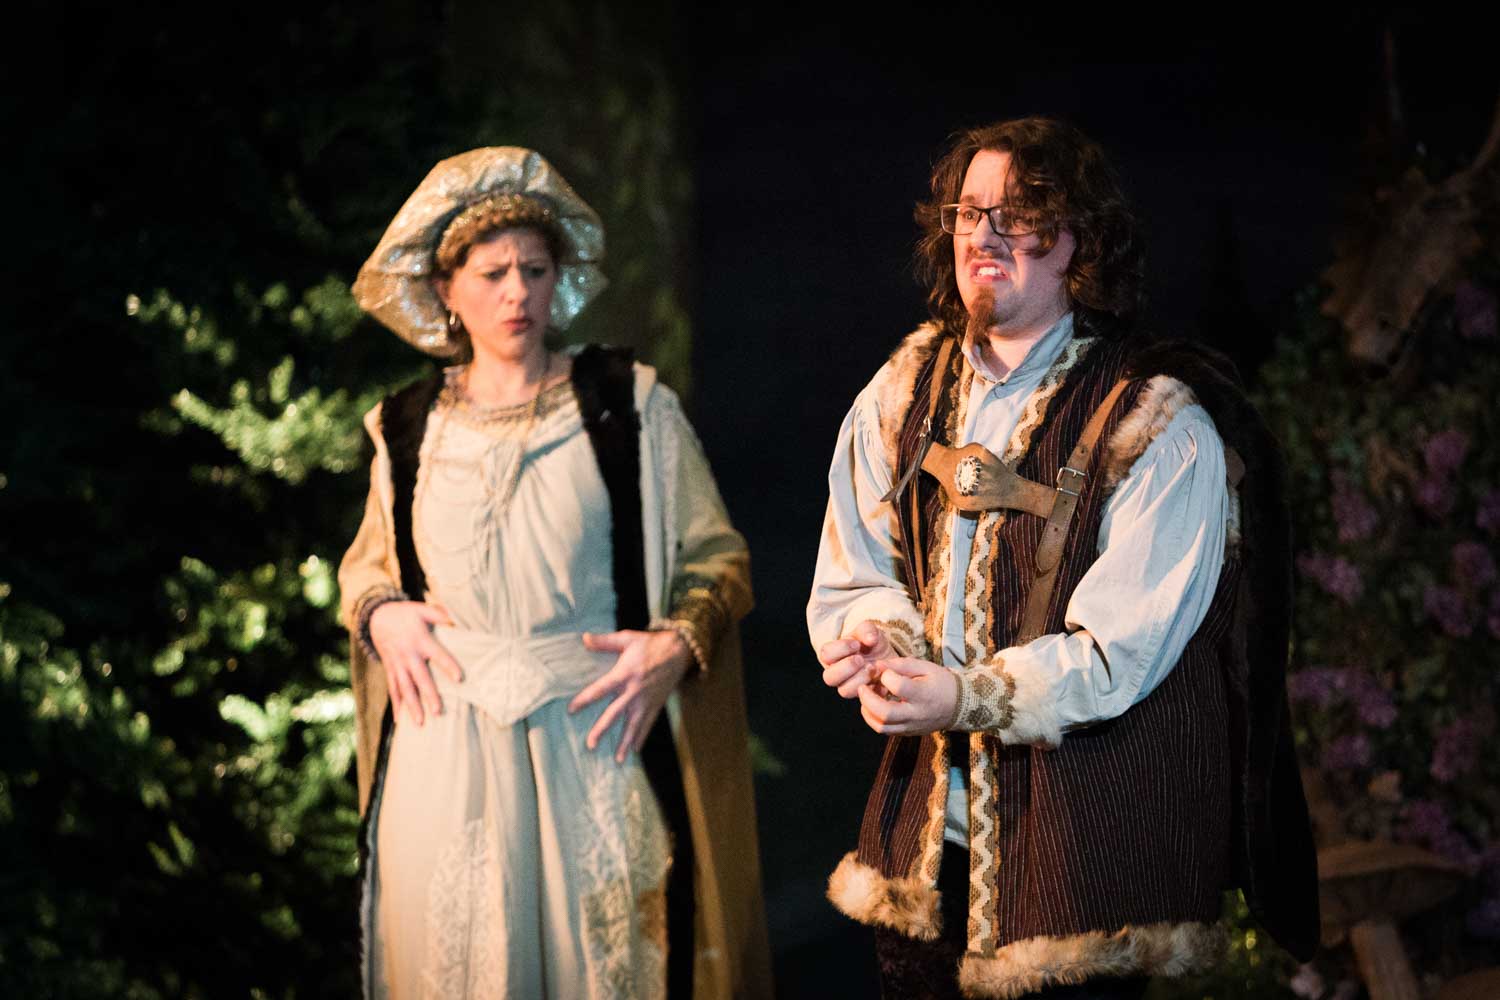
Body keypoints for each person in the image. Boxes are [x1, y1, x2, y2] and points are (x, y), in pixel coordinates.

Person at [807, 118, 1318, 999]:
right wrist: (879, 642)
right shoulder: (904, 391)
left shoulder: (1155, 423)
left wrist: (962, 694)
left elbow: (1124, 650)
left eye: (1022, 214)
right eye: (970, 213)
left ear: (1082, 240)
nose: (986, 236)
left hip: (1082, 868)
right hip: (927, 855)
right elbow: (860, 569)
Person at [340, 147, 771, 999]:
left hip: (593, 741)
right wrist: (382, 613)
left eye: (535, 270)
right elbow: (370, 567)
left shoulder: (625, 404)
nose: (517, 292)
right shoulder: (407, 426)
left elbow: (716, 557)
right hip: (447, 753)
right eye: (493, 272)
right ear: (446, 292)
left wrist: (676, 647)